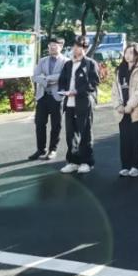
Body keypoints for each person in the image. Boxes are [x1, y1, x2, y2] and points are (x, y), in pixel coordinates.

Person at [57, 36, 101, 175]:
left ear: (85, 49)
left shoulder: (90, 63)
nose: (75, 49)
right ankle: (73, 161)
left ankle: (87, 162)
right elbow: (62, 80)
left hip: (84, 102)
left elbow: (94, 83)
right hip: (69, 103)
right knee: (71, 134)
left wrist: (77, 91)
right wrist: (63, 90)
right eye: (74, 46)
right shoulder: (68, 64)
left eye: (79, 47)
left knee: (85, 132)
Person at [113, 43, 138, 177]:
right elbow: (114, 90)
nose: (128, 55)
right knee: (124, 138)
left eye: (131, 53)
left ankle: (136, 166)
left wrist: (130, 106)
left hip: (136, 110)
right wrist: (118, 105)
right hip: (122, 110)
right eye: (126, 52)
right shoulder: (120, 69)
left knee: (137, 138)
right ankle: (125, 165)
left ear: (137, 54)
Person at [29, 36, 67, 160]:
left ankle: (52, 150)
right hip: (42, 96)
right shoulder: (43, 61)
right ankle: (41, 149)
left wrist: (46, 78)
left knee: (56, 125)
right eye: (50, 45)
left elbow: (63, 77)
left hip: (57, 97)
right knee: (39, 123)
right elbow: (35, 76)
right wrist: (48, 81)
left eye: (54, 46)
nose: (51, 48)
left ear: (61, 47)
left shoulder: (66, 61)